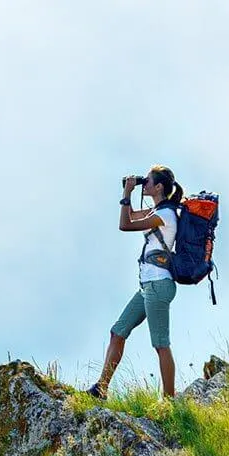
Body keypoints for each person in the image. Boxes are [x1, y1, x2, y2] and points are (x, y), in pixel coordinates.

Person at [86, 165, 184, 400]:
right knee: (117, 332)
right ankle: (101, 389)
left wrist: (127, 194)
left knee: (161, 344)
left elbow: (125, 225)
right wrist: (128, 195)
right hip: (147, 286)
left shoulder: (166, 215)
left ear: (159, 187)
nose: (145, 183)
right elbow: (129, 217)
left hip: (159, 285)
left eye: (148, 181)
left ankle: (169, 400)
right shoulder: (156, 212)